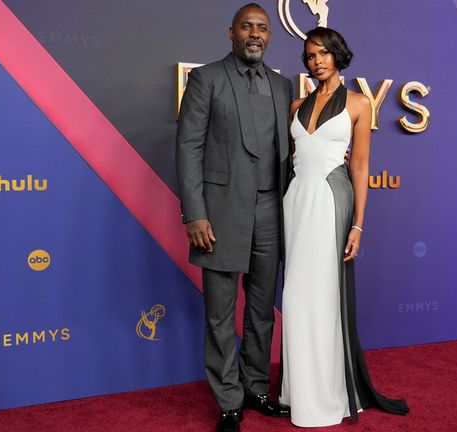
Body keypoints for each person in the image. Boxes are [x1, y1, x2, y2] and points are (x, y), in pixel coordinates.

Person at [279, 27, 409, 427]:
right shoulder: (296, 104)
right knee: (297, 297)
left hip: (331, 203)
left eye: (322, 53)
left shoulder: (358, 104)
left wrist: (359, 226)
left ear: (338, 55)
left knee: (324, 295)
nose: (316, 61)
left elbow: (360, 166)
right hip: (295, 202)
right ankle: (296, 391)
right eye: (309, 55)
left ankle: (326, 394)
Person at [175, 3, 292, 432]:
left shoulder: (281, 87)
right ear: (231, 33)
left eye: (262, 27)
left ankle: (255, 387)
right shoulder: (206, 79)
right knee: (220, 313)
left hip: (271, 212)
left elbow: (289, 155)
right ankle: (228, 399)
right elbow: (188, 149)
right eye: (247, 27)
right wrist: (195, 213)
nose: (255, 34)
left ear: (270, 35)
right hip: (220, 214)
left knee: (261, 310)